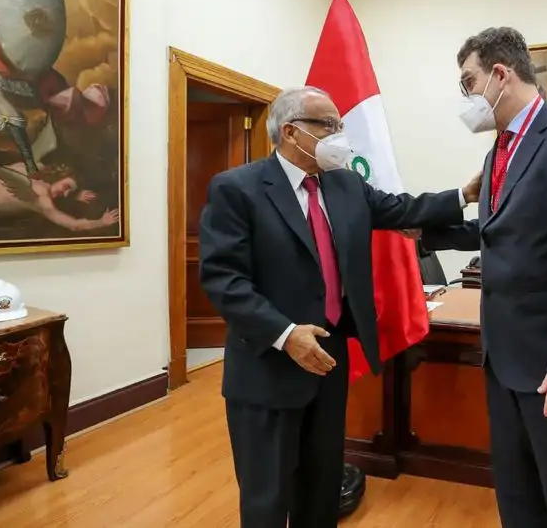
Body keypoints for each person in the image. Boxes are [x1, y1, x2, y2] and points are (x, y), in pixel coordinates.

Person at [198, 86, 481, 528]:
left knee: (321, 485)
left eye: (341, 125)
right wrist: (286, 334)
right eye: (328, 126)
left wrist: (463, 195)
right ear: (291, 132)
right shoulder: (238, 189)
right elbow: (223, 279)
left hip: (328, 364)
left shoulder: (346, 184)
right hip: (267, 370)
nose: (339, 136)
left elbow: (401, 209)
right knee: (267, 496)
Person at [420, 27, 547, 528]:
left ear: (499, 74)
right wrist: (424, 233)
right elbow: (498, 231)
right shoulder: (498, 152)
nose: (467, 96)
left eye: (468, 82)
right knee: (518, 496)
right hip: (503, 358)